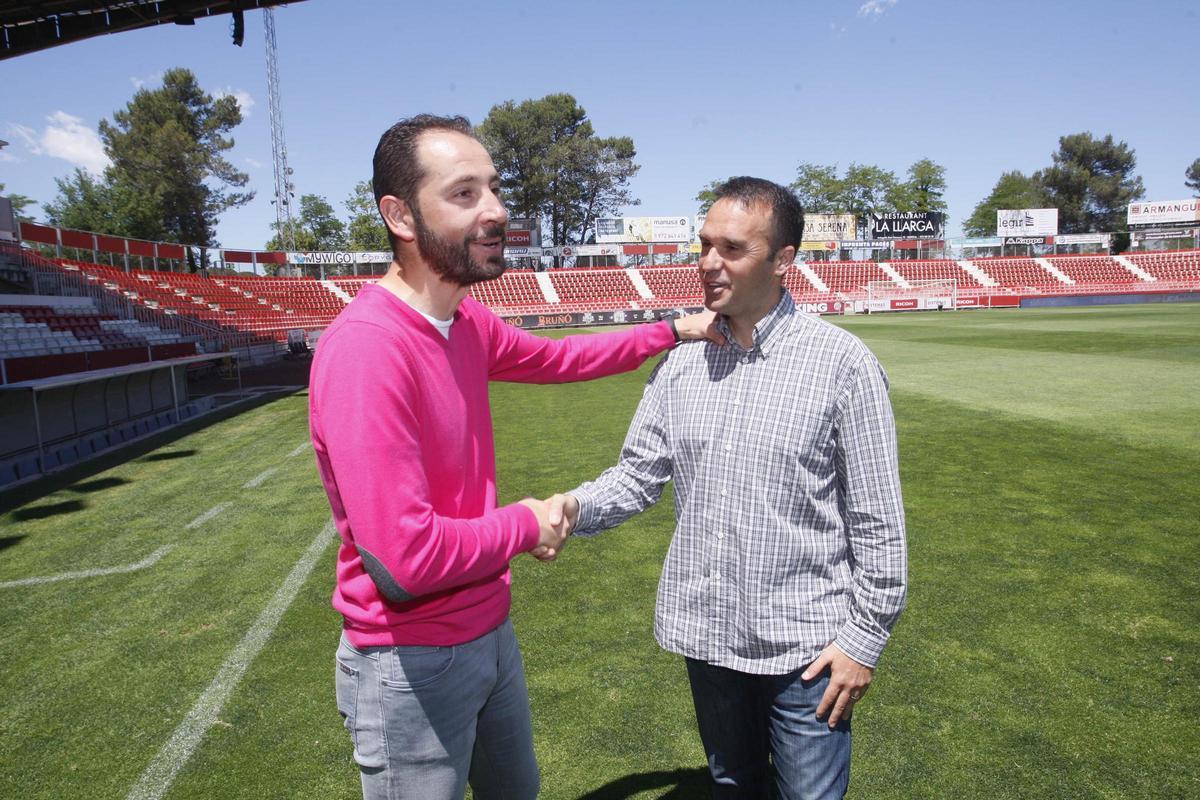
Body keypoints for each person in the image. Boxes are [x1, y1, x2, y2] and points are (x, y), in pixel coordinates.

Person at [308, 114, 720, 800]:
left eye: (494, 189)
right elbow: (405, 562)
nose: (496, 211)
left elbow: (561, 357)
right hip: (408, 662)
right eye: (464, 194)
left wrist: (672, 329)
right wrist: (528, 524)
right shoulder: (367, 349)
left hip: (488, 631)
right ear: (400, 216)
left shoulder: (467, 320)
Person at [548, 177, 908, 799]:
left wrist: (864, 640)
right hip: (709, 634)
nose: (710, 263)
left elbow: (878, 521)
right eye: (705, 244)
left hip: (808, 649)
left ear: (783, 260)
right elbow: (637, 476)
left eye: (733, 249)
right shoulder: (682, 364)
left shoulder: (843, 366)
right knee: (732, 785)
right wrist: (574, 508)